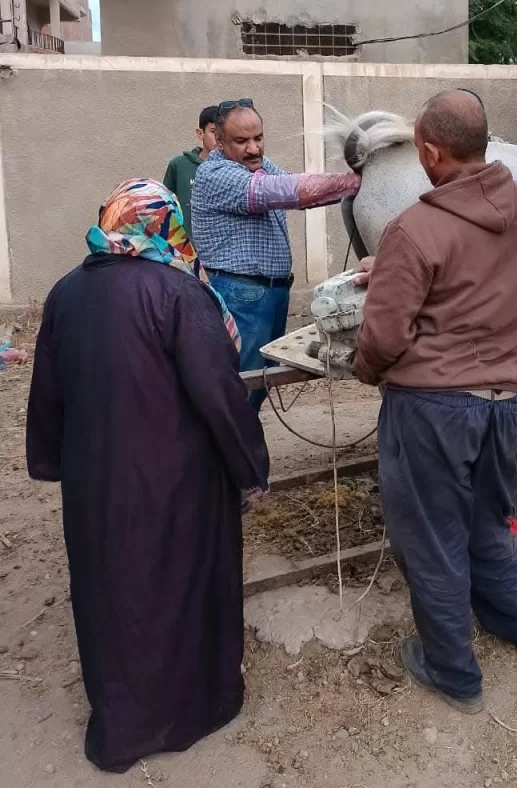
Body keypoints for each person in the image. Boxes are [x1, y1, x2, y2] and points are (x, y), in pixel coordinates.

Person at [26, 178, 269, 773]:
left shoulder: (65, 294)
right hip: (177, 481)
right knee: (184, 588)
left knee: (113, 595)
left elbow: (47, 394)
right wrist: (249, 467)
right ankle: (197, 709)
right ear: (167, 225)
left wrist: (54, 461)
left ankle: (121, 728)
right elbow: (219, 393)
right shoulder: (179, 294)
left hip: (96, 483)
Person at [353, 89, 517, 715]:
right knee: (487, 522)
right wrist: (389, 267)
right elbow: (478, 274)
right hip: (502, 406)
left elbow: (383, 339)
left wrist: (365, 368)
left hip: (433, 412)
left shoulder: (414, 227)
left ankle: (452, 671)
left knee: (431, 540)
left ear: (432, 152)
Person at [192, 98, 361, 411]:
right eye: (241, 141)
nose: (254, 149)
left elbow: (300, 193)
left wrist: (349, 186)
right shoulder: (216, 174)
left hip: (267, 293)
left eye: (258, 138)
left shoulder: (257, 164)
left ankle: (239, 450)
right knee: (241, 387)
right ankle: (228, 455)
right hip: (243, 294)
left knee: (258, 386)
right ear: (218, 140)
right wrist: (356, 181)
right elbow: (286, 191)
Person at [162, 105, 219, 238]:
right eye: (213, 131)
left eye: (223, 133)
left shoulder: (233, 168)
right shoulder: (179, 166)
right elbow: (165, 208)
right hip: (186, 252)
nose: (219, 138)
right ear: (200, 133)